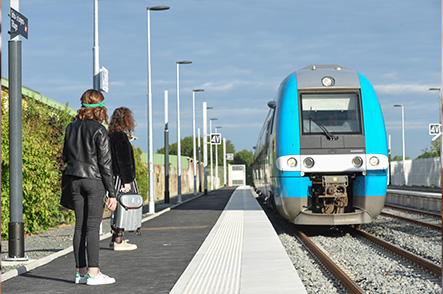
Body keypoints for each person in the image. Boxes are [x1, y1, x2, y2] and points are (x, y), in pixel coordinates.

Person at [62, 89, 118, 286]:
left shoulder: (70, 127)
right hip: (94, 182)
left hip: (75, 179)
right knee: (92, 228)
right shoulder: (99, 130)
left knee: (79, 227)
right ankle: (94, 274)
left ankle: (81, 273)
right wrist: (112, 193)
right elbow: (105, 164)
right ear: (99, 107)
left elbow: (65, 157)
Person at [108, 107, 139, 251]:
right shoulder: (121, 137)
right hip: (122, 178)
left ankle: (115, 239)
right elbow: (124, 161)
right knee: (125, 207)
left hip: (112, 176)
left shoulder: (110, 135)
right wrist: (127, 182)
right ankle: (118, 241)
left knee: (117, 209)